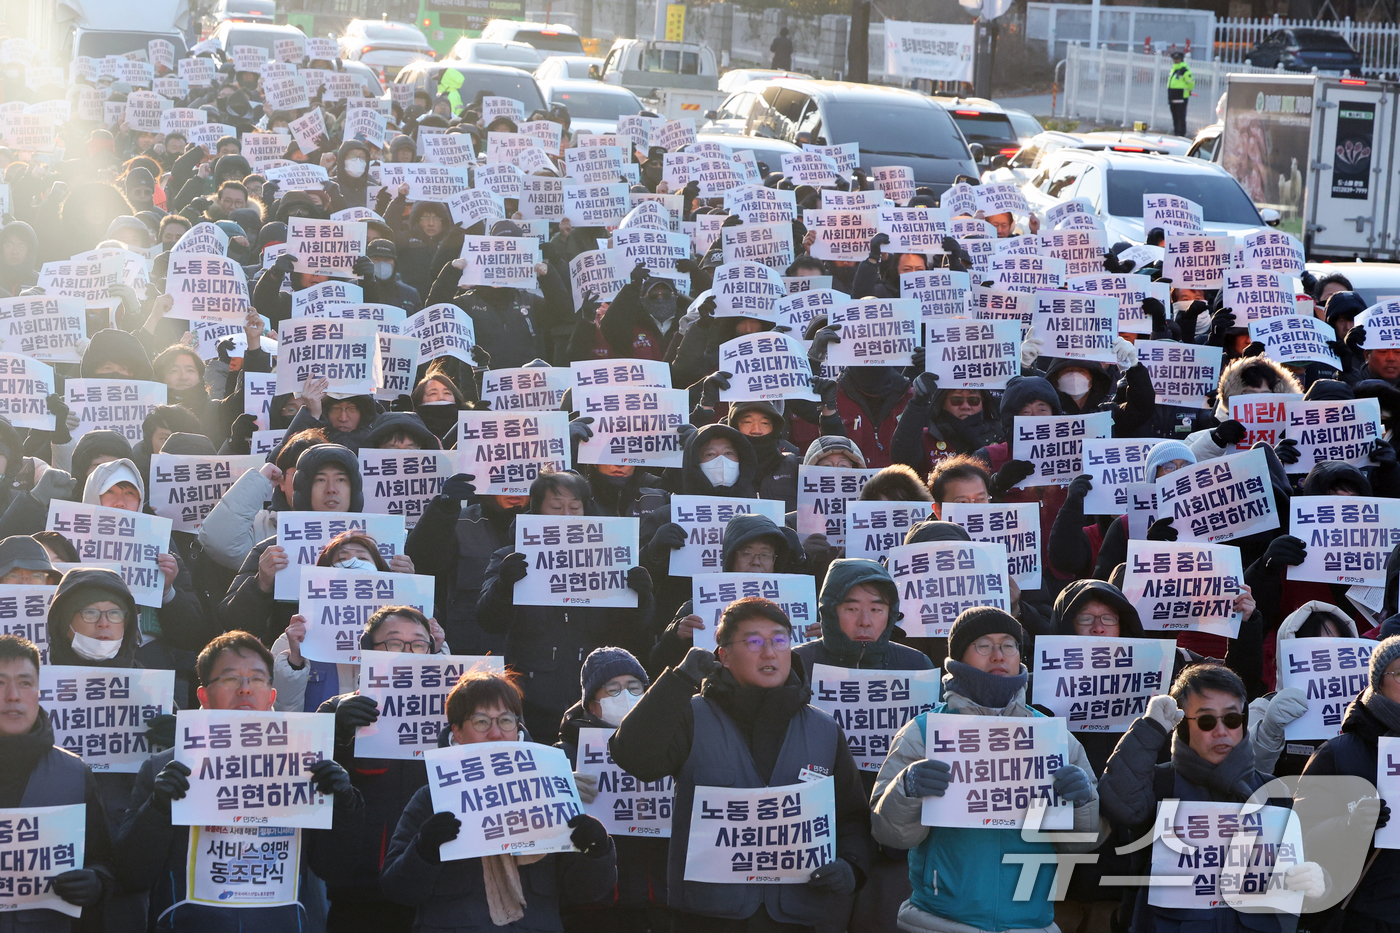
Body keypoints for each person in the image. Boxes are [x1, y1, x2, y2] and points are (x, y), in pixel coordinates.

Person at [611, 597, 871, 932]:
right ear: (724, 656)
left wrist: (851, 867)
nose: (769, 652)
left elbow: (851, 817)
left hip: (798, 916)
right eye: (753, 641)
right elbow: (634, 756)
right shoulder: (690, 715)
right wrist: (678, 680)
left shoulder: (823, 729)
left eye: (779, 640)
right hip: (706, 917)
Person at [113, 631, 362, 932]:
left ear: (271, 695)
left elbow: (335, 868)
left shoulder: (305, 763)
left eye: (257, 679)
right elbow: (130, 874)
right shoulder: (165, 767)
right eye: (230, 679)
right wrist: (157, 809)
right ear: (203, 695)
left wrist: (346, 805)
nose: (245, 690)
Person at [871, 607, 1100, 933]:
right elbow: (889, 834)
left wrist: (1083, 801)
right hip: (941, 920)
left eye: (1008, 644)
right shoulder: (923, 733)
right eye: (984, 645)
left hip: (1029, 921)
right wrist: (906, 789)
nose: (998, 655)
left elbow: (1080, 843)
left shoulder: (1053, 736)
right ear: (959, 656)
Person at [380, 668, 618, 930]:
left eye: (505, 720)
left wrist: (597, 853)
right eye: (481, 722)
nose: (495, 733)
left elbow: (586, 893)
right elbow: (396, 890)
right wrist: (423, 851)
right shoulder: (431, 798)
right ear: (457, 732)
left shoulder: (552, 791)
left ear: (517, 727)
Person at [1099, 663, 1324, 932]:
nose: (1221, 731)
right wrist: (1150, 728)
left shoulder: (1272, 791)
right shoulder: (1159, 784)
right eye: (1206, 721)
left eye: (1231, 719)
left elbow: (1298, 870)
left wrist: (1315, 880)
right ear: (1182, 726)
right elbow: (1121, 802)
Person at [475, 471, 654, 743]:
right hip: (533, 700)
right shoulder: (510, 557)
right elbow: (489, 620)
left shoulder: (610, 554)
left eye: (575, 506)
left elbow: (632, 631)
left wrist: (641, 596)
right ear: (536, 510)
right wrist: (504, 585)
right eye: (556, 507)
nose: (567, 513)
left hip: (595, 697)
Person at [0, 634, 117, 930]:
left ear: (39, 690)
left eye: (25, 682)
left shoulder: (75, 774)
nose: (12, 695)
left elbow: (102, 860)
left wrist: (96, 882)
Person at [556, 647, 670, 932]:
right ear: (591, 704)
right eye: (613, 689)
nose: (627, 696)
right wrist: (559, 789)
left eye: (634, 687)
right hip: (597, 905)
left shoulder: (672, 747)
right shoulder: (563, 756)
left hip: (660, 899)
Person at [1296, 634, 1400, 931]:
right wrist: (1350, 826)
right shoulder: (1338, 755)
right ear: (1378, 681)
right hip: (1368, 916)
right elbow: (1299, 841)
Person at [1167, 50, 1195, 137]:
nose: (1176, 60)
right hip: (1172, 96)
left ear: (1181, 59)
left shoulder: (1184, 70)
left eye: (1177, 59)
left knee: (1181, 116)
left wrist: (1188, 91)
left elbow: (1191, 83)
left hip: (1181, 96)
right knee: (1174, 116)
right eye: (1174, 59)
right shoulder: (1173, 69)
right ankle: (1176, 132)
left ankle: (1181, 133)